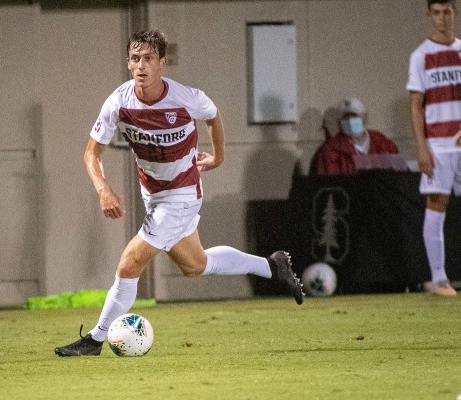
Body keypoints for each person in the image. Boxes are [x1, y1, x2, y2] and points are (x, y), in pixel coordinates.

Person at [54, 30, 304, 357]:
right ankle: (272, 266)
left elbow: (213, 118)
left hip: (183, 193)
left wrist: (219, 157)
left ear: (162, 63)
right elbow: (91, 153)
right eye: (134, 59)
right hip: (154, 195)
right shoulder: (118, 102)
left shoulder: (185, 98)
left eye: (148, 59)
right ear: (128, 63)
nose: (140, 66)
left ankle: (95, 340)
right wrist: (104, 189)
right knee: (194, 265)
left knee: (130, 263)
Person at [407, 0, 461, 296]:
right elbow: (416, 106)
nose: (442, 19)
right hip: (438, 146)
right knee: (436, 205)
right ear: (429, 15)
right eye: (436, 13)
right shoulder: (421, 56)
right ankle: (439, 277)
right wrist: (422, 147)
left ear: (456, 11)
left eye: (447, 12)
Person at [310, 98, 399, 176]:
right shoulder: (330, 150)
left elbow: (401, 176)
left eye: (354, 116)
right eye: (346, 117)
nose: (350, 120)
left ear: (365, 117)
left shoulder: (384, 144)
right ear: (339, 122)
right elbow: (328, 184)